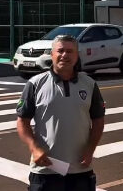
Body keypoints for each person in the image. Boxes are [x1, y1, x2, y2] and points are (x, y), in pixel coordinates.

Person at [17, 34, 105, 191]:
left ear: (77, 56)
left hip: (80, 168)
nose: (65, 55)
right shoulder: (35, 84)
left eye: (70, 51)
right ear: (52, 54)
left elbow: (98, 120)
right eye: (60, 51)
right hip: (46, 169)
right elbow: (22, 122)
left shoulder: (89, 84)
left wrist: (90, 150)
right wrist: (34, 148)